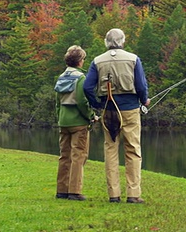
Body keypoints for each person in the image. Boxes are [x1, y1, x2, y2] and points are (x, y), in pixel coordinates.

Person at [83, 28, 150, 204]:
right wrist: (144, 100)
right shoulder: (133, 59)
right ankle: (133, 194)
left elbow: (87, 87)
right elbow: (141, 86)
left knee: (111, 150)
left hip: (108, 110)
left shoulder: (97, 61)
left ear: (106, 42)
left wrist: (97, 104)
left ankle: (114, 195)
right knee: (133, 150)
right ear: (122, 41)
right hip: (130, 109)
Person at [55, 45, 97, 201]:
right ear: (80, 61)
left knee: (64, 156)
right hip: (78, 123)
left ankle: (61, 190)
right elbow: (81, 101)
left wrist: (59, 118)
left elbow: (57, 102)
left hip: (63, 121)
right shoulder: (80, 78)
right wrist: (91, 116)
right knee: (78, 156)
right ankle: (74, 191)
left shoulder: (61, 77)